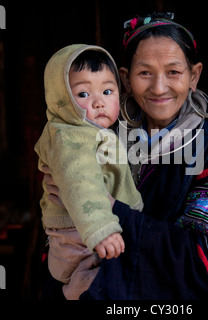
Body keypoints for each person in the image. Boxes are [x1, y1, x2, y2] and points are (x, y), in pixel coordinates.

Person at [42, 12, 208, 300]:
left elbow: (203, 268)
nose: (158, 87)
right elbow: (59, 235)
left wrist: (108, 209)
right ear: (125, 79)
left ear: (194, 76)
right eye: (145, 73)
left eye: (173, 72)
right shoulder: (94, 138)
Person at [34, 44, 143, 299]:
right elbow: (81, 181)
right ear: (60, 98)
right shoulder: (68, 137)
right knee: (92, 282)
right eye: (83, 94)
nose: (99, 102)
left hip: (87, 231)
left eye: (107, 91)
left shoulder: (94, 132)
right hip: (78, 235)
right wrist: (101, 228)